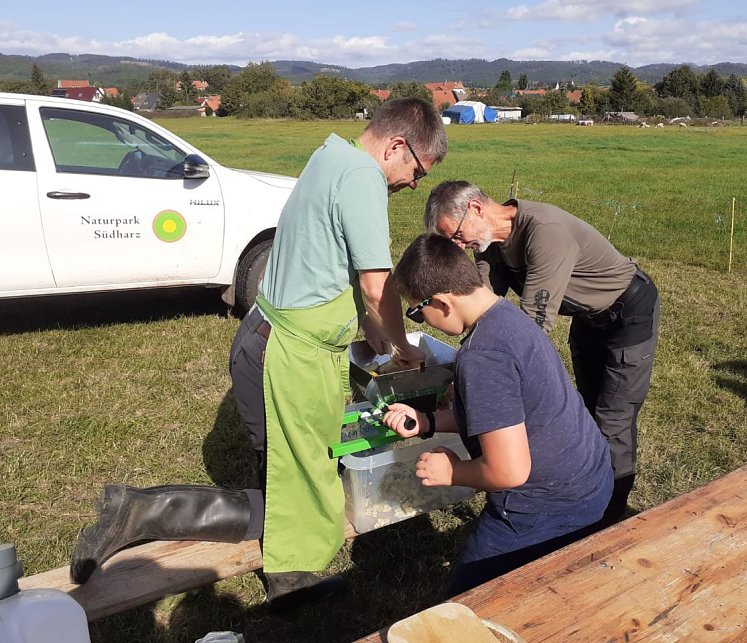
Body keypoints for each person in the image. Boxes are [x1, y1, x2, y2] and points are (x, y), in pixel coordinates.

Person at [69, 98, 448, 609]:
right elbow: (376, 281)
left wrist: (365, 329)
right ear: (397, 146)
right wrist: (400, 347)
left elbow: (324, 258)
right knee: (301, 488)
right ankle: (144, 513)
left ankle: (279, 571)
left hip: (270, 338)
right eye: (418, 170)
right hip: (284, 354)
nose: (413, 183)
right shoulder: (362, 178)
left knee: (298, 477)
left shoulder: (332, 155)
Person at [381, 233, 613, 596]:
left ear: (442, 302)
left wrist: (452, 471)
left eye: (417, 312)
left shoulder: (482, 357)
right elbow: (500, 416)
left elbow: (509, 471)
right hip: (592, 478)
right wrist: (426, 422)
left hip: (547, 505)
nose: (419, 320)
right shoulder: (507, 318)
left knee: (462, 606)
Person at [423, 180, 659, 526]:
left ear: (475, 208)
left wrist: (480, 383)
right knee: (587, 407)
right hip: (587, 317)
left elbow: (530, 327)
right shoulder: (488, 242)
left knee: (612, 418)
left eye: (456, 236)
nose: (460, 246)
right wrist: (462, 374)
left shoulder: (546, 233)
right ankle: (587, 496)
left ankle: (609, 518)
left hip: (627, 315)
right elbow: (479, 311)